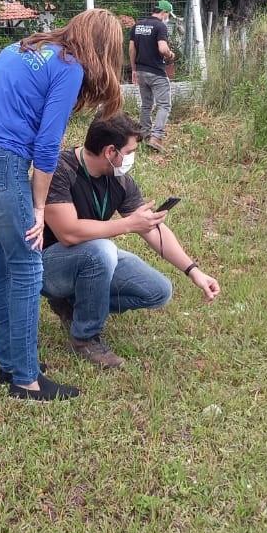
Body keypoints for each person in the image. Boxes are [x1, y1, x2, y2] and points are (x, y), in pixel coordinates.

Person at [0, 8, 124, 400]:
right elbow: (48, 146)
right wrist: (38, 205)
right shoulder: (69, 66)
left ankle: (10, 363)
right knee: (28, 265)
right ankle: (26, 380)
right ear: (103, 47)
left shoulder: (25, 47)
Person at [42, 114, 221, 368]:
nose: (132, 158)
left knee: (159, 291)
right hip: (47, 265)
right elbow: (68, 233)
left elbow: (152, 229)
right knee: (102, 250)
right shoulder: (60, 169)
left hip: (92, 258)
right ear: (110, 151)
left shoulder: (119, 180)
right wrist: (127, 225)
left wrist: (193, 271)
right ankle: (85, 337)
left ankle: (74, 305)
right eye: (130, 151)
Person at [129, 0, 177, 151]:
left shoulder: (137, 25)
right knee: (164, 105)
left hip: (141, 71)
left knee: (146, 105)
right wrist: (170, 55)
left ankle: (144, 134)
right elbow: (162, 49)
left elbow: (132, 49)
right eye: (168, 14)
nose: (167, 18)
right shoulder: (160, 26)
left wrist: (134, 69)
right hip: (156, 72)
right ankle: (156, 137)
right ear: (164, 12)